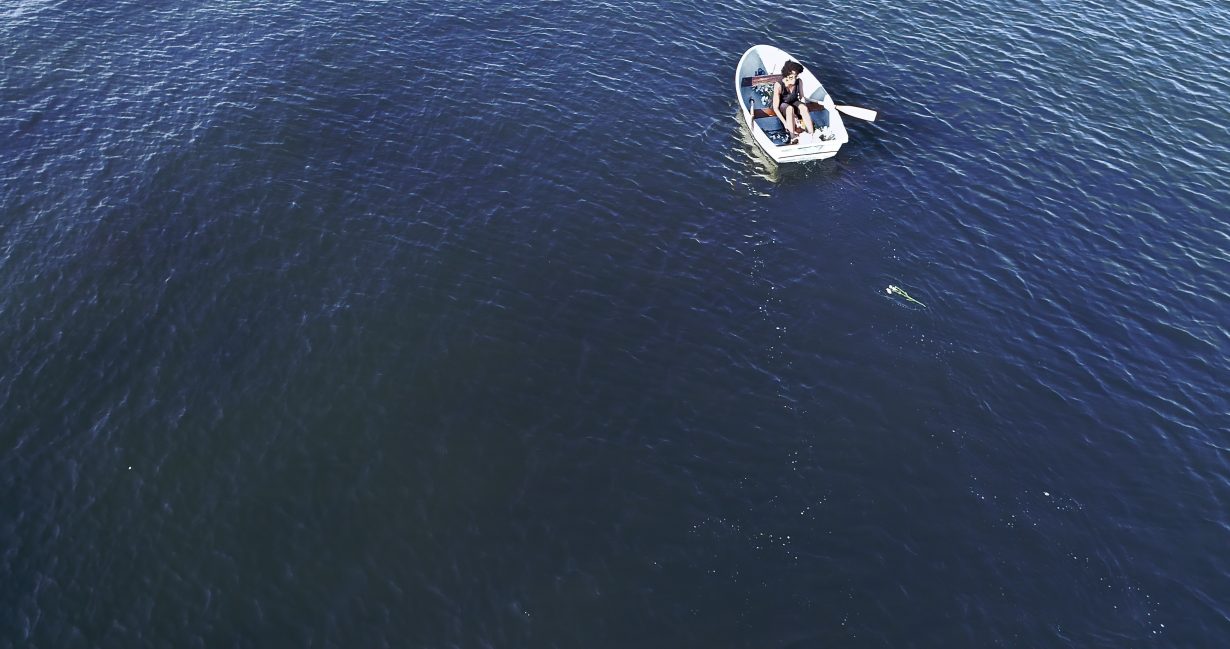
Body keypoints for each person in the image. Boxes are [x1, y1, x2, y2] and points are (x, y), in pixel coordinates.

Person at [772, 61, 815, 145]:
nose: (794, 79)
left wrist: (801, 115)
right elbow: (775, 108)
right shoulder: (779, 85)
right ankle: (793, 137)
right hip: (783, 105)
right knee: (789, 109)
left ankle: (811, 134)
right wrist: (785, 123)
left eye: (796, 76)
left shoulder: (799, 82)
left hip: (794, 102)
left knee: (804, 107)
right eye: (792, 77)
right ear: (787, 76)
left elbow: (802, 97)